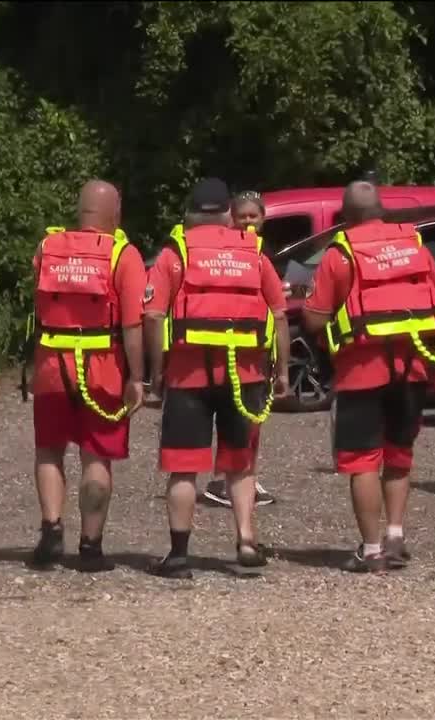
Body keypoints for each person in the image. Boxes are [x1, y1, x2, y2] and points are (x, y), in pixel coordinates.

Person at [301, 181, 435, 573]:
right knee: (399, 454)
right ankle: (396, 536)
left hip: (360, 372)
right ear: (382, 209)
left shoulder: (340, 254)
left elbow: (315, 317)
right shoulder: (412, 243)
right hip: (412, 367)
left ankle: (370, 551)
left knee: (363, 461)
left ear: (345, 217)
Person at [143, 178, 290, 578]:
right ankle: (245, 541)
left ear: (190, 213)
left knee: (184, 466)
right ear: (228, 213)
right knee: (240, 465)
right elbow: (278, 313)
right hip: (245, 374)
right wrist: (282, 370)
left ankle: (178, 555)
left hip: (188, 373)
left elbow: (153, 315)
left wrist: (155, 373)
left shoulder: (177, 252)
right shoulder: (254, 252)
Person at [28, 179, 146, 572]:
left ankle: (50, 531)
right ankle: (91, 547)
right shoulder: (123, 255)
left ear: (80, 211)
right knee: (97, 457)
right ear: (116, 213)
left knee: (49, 450)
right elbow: (132, 326)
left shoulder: (47, 248)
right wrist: (137, 378)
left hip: (51, 367)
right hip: (103, 370)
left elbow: (39, 306)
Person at [202, 190, 278, 508]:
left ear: (263, 218)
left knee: (253, 420)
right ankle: (225, 479)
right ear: (230, 218)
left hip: (261, 345)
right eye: (242, 216)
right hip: (236, 348)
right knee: (238, 418)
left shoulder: (262, 252)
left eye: (253, 216)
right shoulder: (226, 254)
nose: (248, 221)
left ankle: (247, 476)